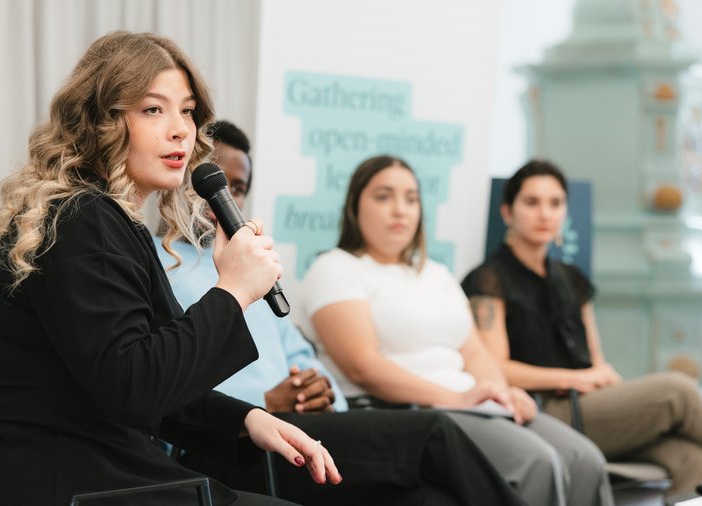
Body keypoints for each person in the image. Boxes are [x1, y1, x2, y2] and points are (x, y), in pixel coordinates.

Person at [0, 31, 340, 506]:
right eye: (153, 109)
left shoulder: (105, 219)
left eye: (187, 111)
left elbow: (150, 373)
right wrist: (234, 291)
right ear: (101, 121)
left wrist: (249, 419)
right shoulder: (83, 219)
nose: (180, 129)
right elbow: (136, 388)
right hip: (67, 483)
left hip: (88, 475)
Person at [157, 120, 526, 506]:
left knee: (431, 500)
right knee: (433, 431)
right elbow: (163, 383)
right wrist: (264, 400)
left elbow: (298, 352)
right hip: (228, 440)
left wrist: (322, 391)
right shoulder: (158, 260)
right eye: (212, 186)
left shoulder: (252, 263)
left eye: (238, 188)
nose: (225, 200)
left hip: (302, 425)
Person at [299, 155, 613, 506]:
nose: (400, 210)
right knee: (536, 462)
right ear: (355, 206)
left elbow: (473, 352)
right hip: (407, 411)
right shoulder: (335, 268)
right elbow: (363, 365)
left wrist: (503, 393)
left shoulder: (437, 273)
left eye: (411, 199)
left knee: (585, 460)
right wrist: (456, 398)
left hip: (470, 403)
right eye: (384, 197)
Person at [460, 159, 702, 494]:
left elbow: (595, 361)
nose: (544, 214)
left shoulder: (572, 279)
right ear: (507, 212)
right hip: (539, 409)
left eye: (555, 203)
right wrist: (573, 378)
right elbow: (496, 370)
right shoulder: (489, 280)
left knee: (694, 459)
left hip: (589, 406)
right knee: (678, 390)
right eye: (531, 202)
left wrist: (603, 381)